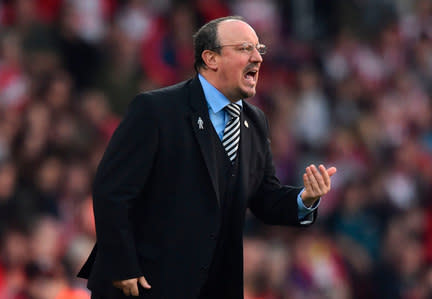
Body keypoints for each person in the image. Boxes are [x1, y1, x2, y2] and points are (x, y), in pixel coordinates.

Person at [78, 16, 336, 299]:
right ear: (211, 58)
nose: (257, 58)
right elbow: (111, 192)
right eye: (244, 49)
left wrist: (305, 199)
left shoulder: (255, 121)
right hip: (143, 285)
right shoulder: (155, 110)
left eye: (258, 49)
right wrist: (122, 266)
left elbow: (264, 196)